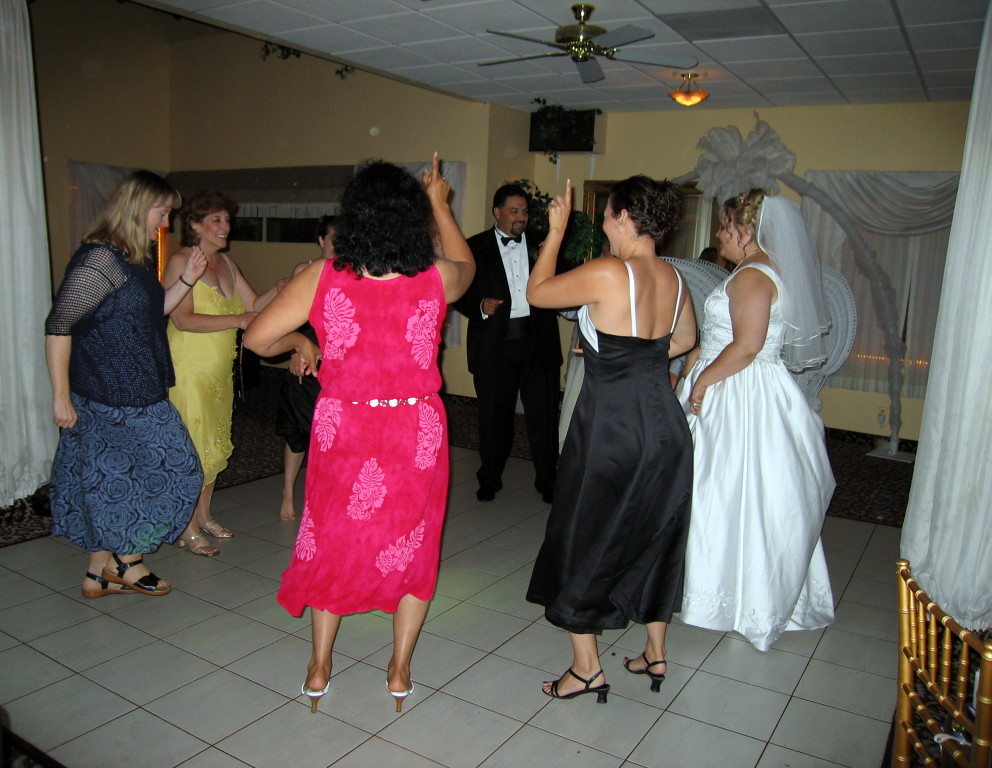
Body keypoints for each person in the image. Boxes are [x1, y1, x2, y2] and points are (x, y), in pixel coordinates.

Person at [243, 154, 474, 712]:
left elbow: (256, 338)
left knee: (331, 538)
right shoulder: (435, 277)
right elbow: (468, 265)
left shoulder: (322, 276)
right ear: (411, 218)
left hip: (344, 427)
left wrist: (303, 342)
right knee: (415, 543)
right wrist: (441, 204)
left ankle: (320, 666)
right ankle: (399, 669)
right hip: (413, 427)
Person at [526, 176, 697, 702]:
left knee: (581, 534)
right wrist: (630, 354)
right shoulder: (675, 278)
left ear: (623, 217)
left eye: (605, 214)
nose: (602, 223)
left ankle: (586, 669)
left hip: (612, 428)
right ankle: (655, 652)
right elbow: (685, 339)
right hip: (666, 428)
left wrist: (556, 231)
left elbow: (537, 293)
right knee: (655, 534)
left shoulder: (609, 271)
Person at [676, 189, 835, 652]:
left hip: (740, 389)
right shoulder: (757, 269)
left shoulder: (752, 276)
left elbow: (747, 345)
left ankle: (739, 598)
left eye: (726, 226)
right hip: (743, 381)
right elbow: (722, 336)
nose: (719, 233)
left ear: (746, 229)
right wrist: (694, 365)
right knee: (743, 494)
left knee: (731, 491)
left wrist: (703, 384)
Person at [45, 170, 206, 598]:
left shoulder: (133, 258)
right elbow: (59, 325)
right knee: (179, 469)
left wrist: (187, 279)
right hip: (110, 392)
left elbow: (156, 311)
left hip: (135, 389)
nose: (166, 223)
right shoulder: (98, 260)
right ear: (137, 207)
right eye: (162, 212)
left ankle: (98, 574)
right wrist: (60, 396)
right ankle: (128, 560)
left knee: (109, 480)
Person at [164, 190, 285, 556]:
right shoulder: (181, 260)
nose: (225, 226)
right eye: (215, 220)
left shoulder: (227, 263)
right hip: (188, 369)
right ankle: (185, 527)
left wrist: (280, 290)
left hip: (219, 373)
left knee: (214, 445)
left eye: (227, 220)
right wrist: (238, 320)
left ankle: (203, 515)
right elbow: (182, 320)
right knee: (192, 448)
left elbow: (254, 305)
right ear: (194, 225)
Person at [455, 184, 561, 503]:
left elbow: (565, 280)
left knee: (543, 416)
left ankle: (548, 480)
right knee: (493, 417)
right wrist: (479, 306)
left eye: (525, 211)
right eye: (514, 211)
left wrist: (552, 255)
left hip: (537, 342)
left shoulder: (544, 242)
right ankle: (489, 478)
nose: (521, 217)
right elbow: (457, 289)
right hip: (494, 346)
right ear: (497, 212)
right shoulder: (474, 247)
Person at [276, 216, 339, 521]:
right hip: (305, 357)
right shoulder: (304, 270)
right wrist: (294, 349)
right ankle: (288, 492)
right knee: (299, 431)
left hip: (337, 363)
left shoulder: (352, 273)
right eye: (334, 239)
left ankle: (323, 495)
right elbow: (289, 318)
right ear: (321, 240)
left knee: (333, 434)